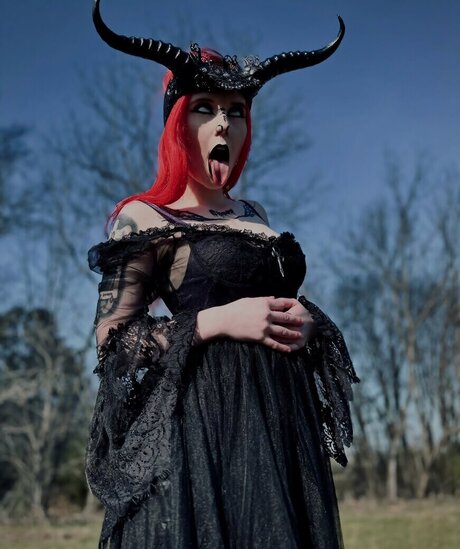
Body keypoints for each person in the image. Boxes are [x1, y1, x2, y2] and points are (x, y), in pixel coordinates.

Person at [86, 1, 359, 547]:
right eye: (204, 108)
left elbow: (273, 306)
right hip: (203, 430)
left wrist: (305, 322)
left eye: (236, 111)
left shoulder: (254, 214)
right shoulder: (146, 216)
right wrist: (217, 322)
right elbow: (114, 342)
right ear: (177, 122)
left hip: (280, 424)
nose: (223, 123)